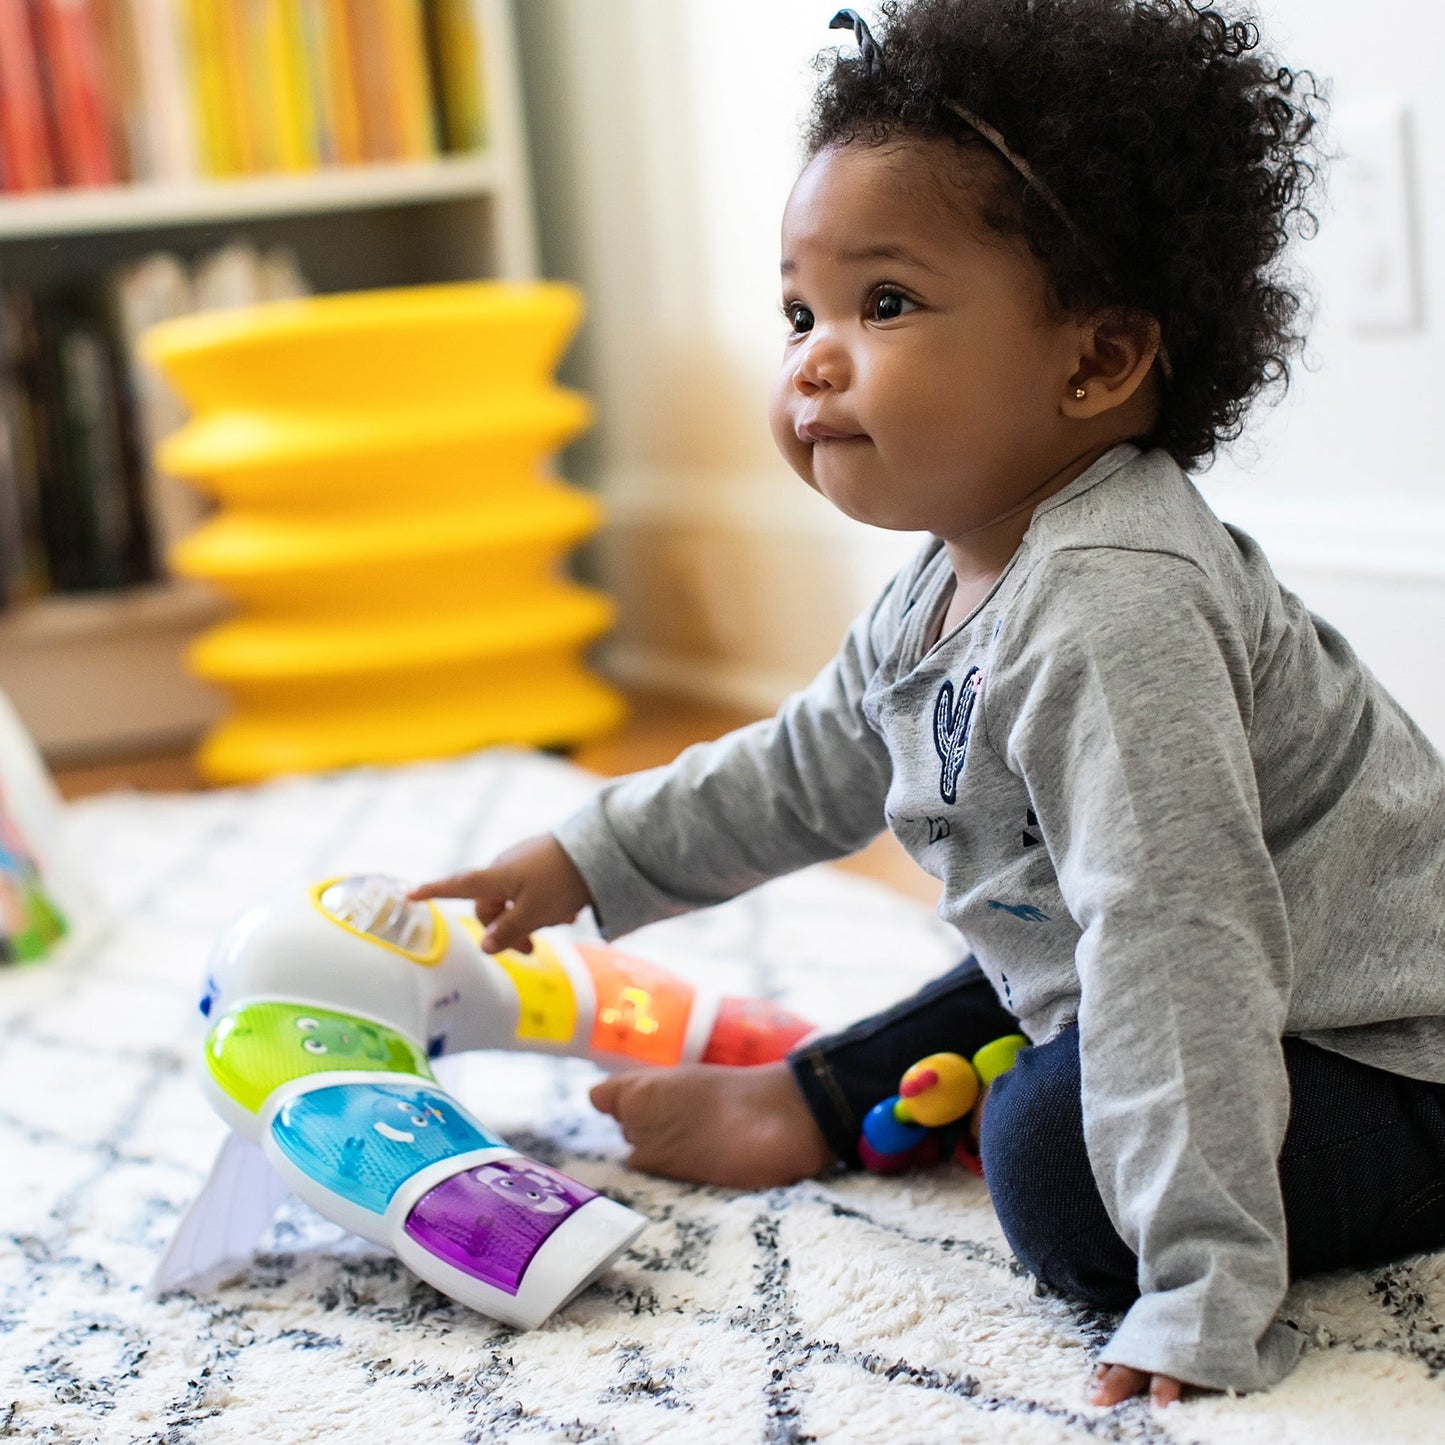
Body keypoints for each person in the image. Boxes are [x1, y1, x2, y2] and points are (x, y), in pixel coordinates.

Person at [411, 0, 1445, 1410]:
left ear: (1093, 362)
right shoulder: (946, 583)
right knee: (1028, 939)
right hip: (1240, 961)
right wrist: (592, 856)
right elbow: (809, 763)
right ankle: (820, 1095)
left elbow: (1179, 943)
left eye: (881, 304)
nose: (813, 358)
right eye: (799, 311)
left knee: (1046, 1157)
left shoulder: (1114, 604)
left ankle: (857, 1106)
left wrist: (1199, 1279)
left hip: (1388, 1052)